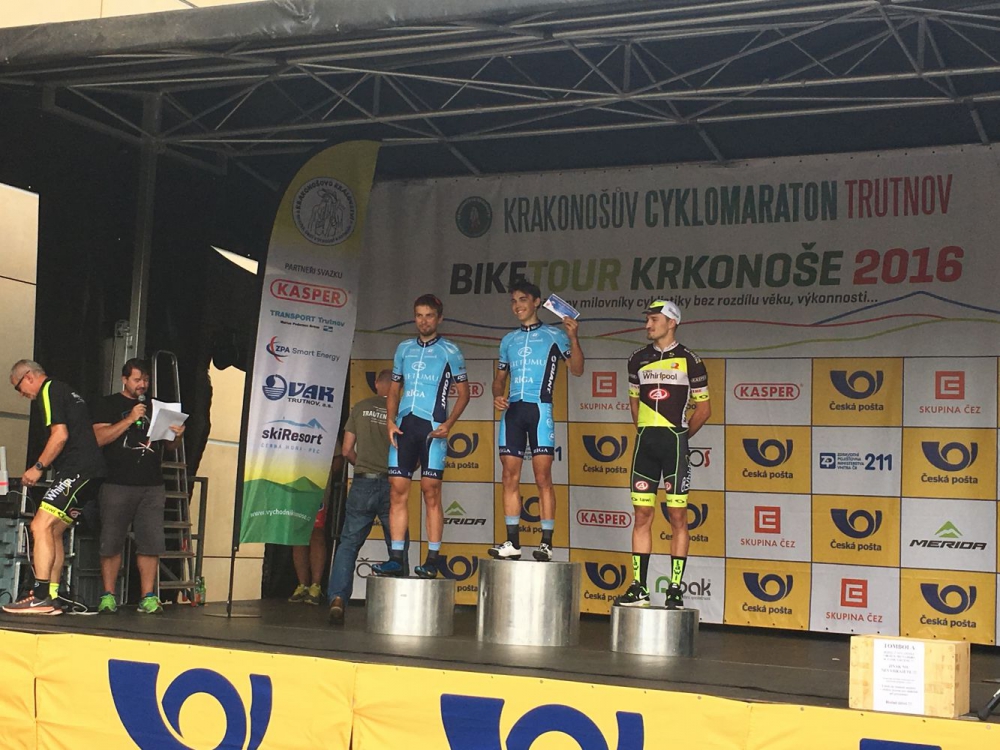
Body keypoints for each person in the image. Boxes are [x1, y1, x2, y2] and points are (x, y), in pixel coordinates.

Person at [616, 300, 711, 609]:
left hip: (674, 446)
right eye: (647, 319)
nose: (648, 325)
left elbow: (704, 409)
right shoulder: (637, 358)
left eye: (654, 319)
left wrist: (680, 437)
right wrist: (647, 431)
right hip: (645, 445)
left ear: (672, 322)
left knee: (677, 517)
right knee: (642, 515)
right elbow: (634, 403)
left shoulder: (690, 360)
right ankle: (639, 588)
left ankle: (674, 589)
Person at [372, 294, 469, 579]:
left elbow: (464, 394)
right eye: (419, 315)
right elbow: (394, 389)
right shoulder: (403, 349)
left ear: (439, 318)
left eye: (429, 315)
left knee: (431, 491)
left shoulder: (450, 351)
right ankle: (395, 557)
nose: (423, 321)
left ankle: (432, 560)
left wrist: (448, 424)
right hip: (404, 427)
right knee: (397, 490)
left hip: (433, 428)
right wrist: (390, 421)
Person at [489, 281, 583, 561]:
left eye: (523, 299)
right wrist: (497, 395)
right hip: (513, 412)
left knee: (543, 477)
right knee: (509, 476)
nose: (517, 305)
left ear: (537, 302)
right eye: (513, 301)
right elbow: (499, 379)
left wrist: (574, 338)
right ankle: (512, 542)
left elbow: (577, 369)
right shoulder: (508, 340)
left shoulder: (554, 335)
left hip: (539, 410)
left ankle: (546, 543)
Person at [3, 360, 106, 615]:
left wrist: (38, 466)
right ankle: (52, 594)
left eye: (18, 387)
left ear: (29, 377)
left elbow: (60, 435)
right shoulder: (66, 390)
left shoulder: (48, 390)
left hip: (77, 470)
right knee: (54, 531)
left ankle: (40, 597)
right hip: (90, 473)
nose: (22, 394)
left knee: (39, 526)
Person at [91, 358, 185, 615]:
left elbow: (169, 446)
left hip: (151, 485)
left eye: (145, 380)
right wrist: (130, 419)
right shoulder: (108, 404)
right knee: (111, 541)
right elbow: (98, 438)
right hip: (117, 483)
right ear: (124, 380)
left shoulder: (157, 407)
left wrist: (177, 435)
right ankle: (108, 595)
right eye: (136, 380)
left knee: (150, 542)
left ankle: (148, 596)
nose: (142, 385)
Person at [327, 368, 409, 624]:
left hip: (363, 482)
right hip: (393, 484)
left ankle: (337, 599)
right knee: (397, 545)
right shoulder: (404, 411)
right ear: (398, 387)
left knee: (349, 544)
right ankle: (400, 606)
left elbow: (347, 450)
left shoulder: (360, 407)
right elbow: (413, 455)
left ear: (375, 383)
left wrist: (362, 465)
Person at [288, 448, 334, 607]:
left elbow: (338, 459)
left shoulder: (327, 430)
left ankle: (316, 586)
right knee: (297, 535)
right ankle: (302, 585)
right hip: (293, 485)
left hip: (317, 486)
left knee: (317, 533)